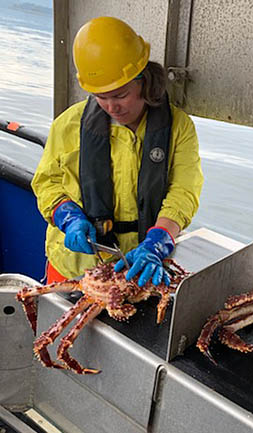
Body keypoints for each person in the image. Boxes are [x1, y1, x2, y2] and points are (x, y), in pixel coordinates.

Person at [32, 16, 203, 286]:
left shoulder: (179, 128)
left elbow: (184, 191)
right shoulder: (67, 125)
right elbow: (47, 182)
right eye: (102, 96)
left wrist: (159, 241)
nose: (112, 107)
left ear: (144, 81)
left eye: (121, 94)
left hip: (136, 267)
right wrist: (68, 217)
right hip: (71, 267)